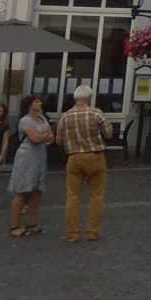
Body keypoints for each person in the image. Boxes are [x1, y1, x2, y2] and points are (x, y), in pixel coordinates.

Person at [56, 85, 111, 243]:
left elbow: (58, 140)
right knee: (96, 196)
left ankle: (72, 233)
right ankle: (92, 232)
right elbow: (108, 133)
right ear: (89, 98)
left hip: (74, 157)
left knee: (72, 196)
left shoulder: (65, 116)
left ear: (75, 98)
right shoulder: (96, 113)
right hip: (95, 157)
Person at [8, 94, 52, 237]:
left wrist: (43, 137)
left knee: (36, 191)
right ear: (30, 104)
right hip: (26, 157)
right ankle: (14, 225)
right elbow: (34, 139)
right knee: (22, 191)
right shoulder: (25, 120)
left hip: (40, 156)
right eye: (37, 101)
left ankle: (32, 224)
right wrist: (44, 136)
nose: (40, 104)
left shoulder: (42, 118)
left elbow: (51, 137)